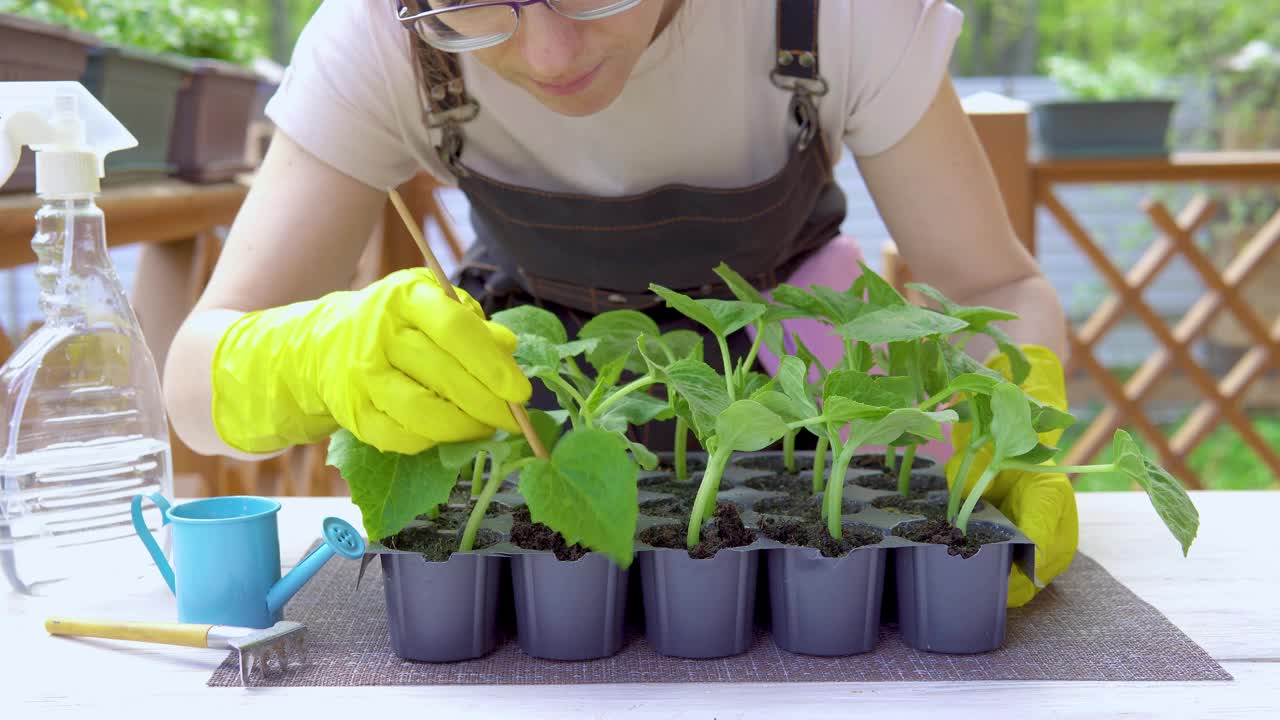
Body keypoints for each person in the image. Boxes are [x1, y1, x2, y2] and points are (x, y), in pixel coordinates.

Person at [165, 0, 1074, 606]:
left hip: (799, 410)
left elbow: (995, 288)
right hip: (530, 416)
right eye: (476, 0)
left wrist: (1016, 429)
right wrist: (301, 355)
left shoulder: (836, 15)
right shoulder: (379, 32)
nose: (549, 51)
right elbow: (193, 387)